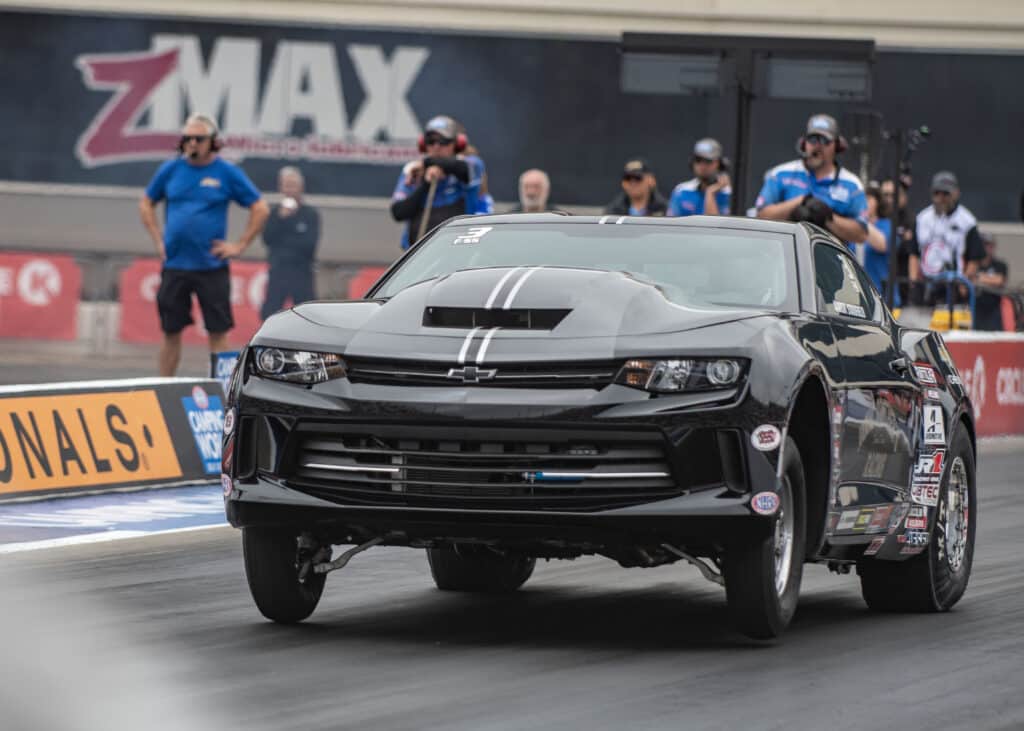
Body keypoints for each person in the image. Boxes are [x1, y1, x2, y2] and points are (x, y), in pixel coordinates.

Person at [139, 113, 269, 377]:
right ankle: (164, 389)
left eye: (199, 139)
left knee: (218, 333)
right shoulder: (171, 169)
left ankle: (223, 394)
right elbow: (146, 202)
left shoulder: (227, 172)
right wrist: (157, 238)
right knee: (170, 332)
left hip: (211, 267)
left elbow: (260, 208)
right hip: (175, 265)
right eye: (187, 138)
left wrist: (239, 245)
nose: (192, 143)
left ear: (213, 142)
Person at [756, 114, 868, 247]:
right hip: (785, 257)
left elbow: (861, 234)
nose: (818, 146)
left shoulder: (852, 184)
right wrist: (800, 202)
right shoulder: (780, 174)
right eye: (813, 139)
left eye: (825, 140)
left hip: (832, 260)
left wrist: (828, 218)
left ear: (837, 146)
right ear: (804, 144)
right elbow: (761, 216)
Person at [390, 115, 484, 249]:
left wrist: (427, 163)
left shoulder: (472, 164)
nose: (436, 146)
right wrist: (426, 184)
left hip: (459, 249)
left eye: (443, 141)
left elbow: (460, 168)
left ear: (457, 144)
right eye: (431, 141)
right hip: (417, 251)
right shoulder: (412, 171)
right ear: (424, 144)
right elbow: (398, 213)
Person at [907, 171, 986, 306]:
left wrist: (963, 284)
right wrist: (913, 283)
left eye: (945, 193)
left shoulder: (967, 221)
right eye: (936, 193)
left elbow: (974, 258)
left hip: (953, 286)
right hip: (925, 285)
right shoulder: (922, 219)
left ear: (956, 193)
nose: (940, 197)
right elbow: (914, 253)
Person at [260, 166, 321, 320]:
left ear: (301, 187)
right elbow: (267, 239)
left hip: (302, 273)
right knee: (269, 313)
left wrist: (288, 233)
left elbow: (309, 245)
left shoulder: (310, 214)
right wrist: (282, 219)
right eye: (286, 185)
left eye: (293, 185)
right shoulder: (274, 214)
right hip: (278, 271)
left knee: (306, 316)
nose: (289, 189)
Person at [667, 138, 731, 217]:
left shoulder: (728, 194)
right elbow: (671, 224)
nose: (702, 165)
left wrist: (710, 192)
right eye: (698, 160)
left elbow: (714, 226)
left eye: (708, 161)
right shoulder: (681, 191)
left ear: (720, 165)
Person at [858, 183, 898, 304]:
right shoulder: (854, 227)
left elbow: (882, 245)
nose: (863, 202)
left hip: (883, 297)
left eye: (868, 198)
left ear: (878, 202)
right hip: (860, 297)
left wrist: (861, 219)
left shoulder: (887, 225)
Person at [880, 177, 916, 304]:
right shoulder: (875, 219)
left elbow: (911, 249)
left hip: (901, 284)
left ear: (903, 197)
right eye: (885, 195)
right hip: (878, 281)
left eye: (893, 195)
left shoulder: (911, 220)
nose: (889, 199)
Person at [971, 233, 1008, 331]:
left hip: (993, 311)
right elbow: (969, 278)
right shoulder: (973, 264)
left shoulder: (1000, 265)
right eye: (985, 245)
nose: (988, 248)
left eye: (990, 245)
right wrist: (987, 280)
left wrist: (979, 277)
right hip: (976, 309)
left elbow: (999, 280)